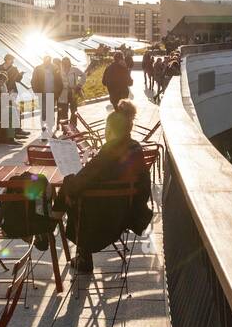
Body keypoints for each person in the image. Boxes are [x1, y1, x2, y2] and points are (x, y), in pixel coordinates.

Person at [56, 102, 153, 273]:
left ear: (109, 130)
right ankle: (52, 218)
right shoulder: (135, 148)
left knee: (71, 189)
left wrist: (69, 182)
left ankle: (52, 223)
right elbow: (143, 184)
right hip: (128, 212)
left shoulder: (109, 153)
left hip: (101, 217)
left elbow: (81, 181)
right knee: (75, 190)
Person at [30, 54, 63, 137]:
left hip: (53, 94)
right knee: (44, 112)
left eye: (48, 61)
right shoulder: (38, 69)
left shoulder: (55, 68)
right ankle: (44, 131)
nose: (47, 63)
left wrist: (58, 92)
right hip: (43, 94)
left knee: (51, 112)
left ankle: (50, 130)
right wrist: (37, 92)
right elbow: (33, 81)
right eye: (46, 61)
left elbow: (59, 81)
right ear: (43, 61)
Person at [57, 56, 85, 126]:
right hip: (63, 94)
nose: (66, 64)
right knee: (64, 111)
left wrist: (79, 85)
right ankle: (65, 128)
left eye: (67, 62)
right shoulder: (59, 71)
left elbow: (83, 75)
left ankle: (73, 125)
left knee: (74, 110)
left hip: (73, 92)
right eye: (64, 63)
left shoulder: (74, 69)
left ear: (69, 63)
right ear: (62, 63)